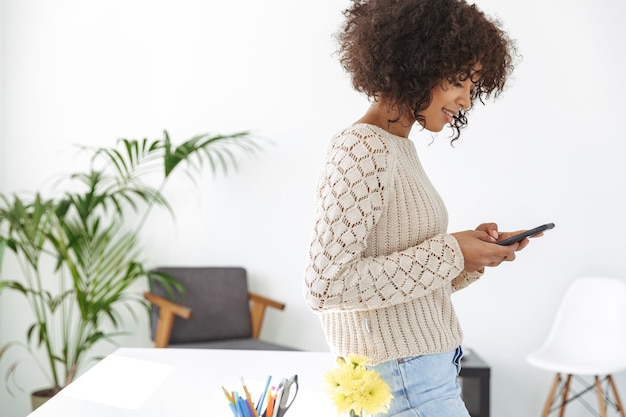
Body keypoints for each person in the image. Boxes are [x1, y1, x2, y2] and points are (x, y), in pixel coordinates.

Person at [304, 0, 525, 416]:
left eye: (473, 88)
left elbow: (396, 286)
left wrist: (470, 257)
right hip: (403, 380)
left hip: (418, 374)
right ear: (418, 63)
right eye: (459, 81)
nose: (466, 100)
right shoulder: (362, 148)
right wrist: (452, 251)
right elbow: (326, 286)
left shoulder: (397, 148)